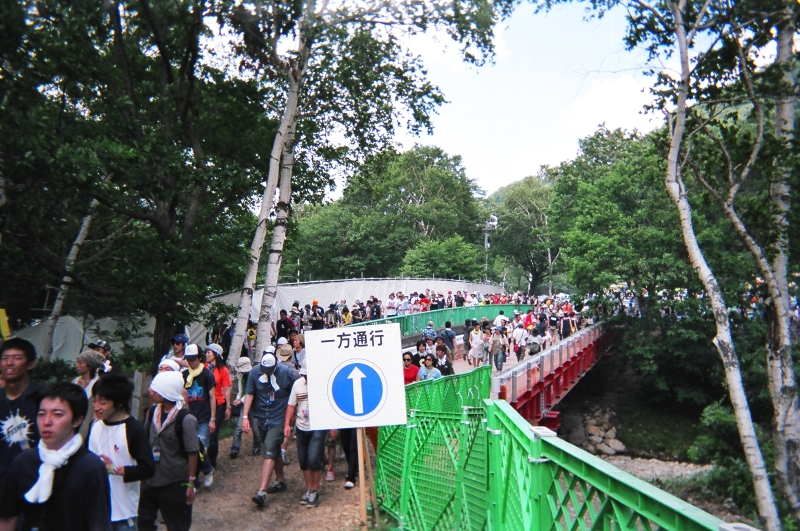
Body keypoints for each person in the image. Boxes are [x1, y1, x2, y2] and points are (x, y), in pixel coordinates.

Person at [0, 382, 111, 531]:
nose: (47, 422)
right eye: (41, 414)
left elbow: (99, 524)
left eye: (57, 414)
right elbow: (8, 518)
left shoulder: (90, 466)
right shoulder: (24, 462)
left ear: (77, 420)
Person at [88, 374, 155, 531]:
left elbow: (148, 468)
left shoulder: (133, 429)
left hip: (123, 511)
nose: (96, 407)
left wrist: (118, 470)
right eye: (95, 401)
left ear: (118, 403)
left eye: (103, 402)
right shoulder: (95, 426)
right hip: (97, 510)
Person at [139, 371, 199, 531]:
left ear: (166, 392)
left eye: (156, 389)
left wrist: (190, 483)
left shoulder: (185, 420)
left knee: (177, 525)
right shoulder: (152, 413)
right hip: (151, 479)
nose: (150, 391)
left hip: (174, 482)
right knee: (144, 523)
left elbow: (192, 452)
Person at [242, 351, 298, 508]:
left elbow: (295, 392)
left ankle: (262, 491)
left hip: (279, 417)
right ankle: (280, 480)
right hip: (262, 417)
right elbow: (249, 394)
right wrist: (245, 416)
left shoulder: (286, 373)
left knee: (269, 450)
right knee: (274, 450)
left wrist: (292, 416)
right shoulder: (254, 373)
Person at [0, 338, 45, 495]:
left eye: (17, 358)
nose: (9, 363)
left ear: (30, 364)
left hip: (38, 482)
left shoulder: (43, 397)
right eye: (5, 358)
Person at [284, 360, 325, 507]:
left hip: (317, 426)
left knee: (314, 459)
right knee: (303, 460)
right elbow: (291, 405)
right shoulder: (298, 384)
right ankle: (309, 488)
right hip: (301, 425)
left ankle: (315, 489)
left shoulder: (321, 384)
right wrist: (287, 424)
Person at [182, 344, 216, 488]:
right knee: (192, 448)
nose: (191, 362)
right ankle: (197, 477)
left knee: (200, 447)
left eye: (193, 359)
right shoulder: (184, 375)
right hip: (189, 417)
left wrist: (212, 419)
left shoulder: (207, 374)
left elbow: (212, 397)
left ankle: (204, 472)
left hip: (203, 417)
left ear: (200, 358)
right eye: (188, 359)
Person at [204, 344, 231, 472]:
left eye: (209, 352)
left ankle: (212, 462)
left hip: (219, 404)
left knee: (213, 434)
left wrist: (228, 406)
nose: (207, 354)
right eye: (206, 352)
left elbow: (226, 388)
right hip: (205, 404)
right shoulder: (203, 367)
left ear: (216, 354)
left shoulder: (223, 370)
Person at [229, 357, 260, 458]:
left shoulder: (254, 376)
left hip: (254, 405)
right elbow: (241, 389)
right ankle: (235, 448)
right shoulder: (240, 375)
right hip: (244, 404)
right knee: (238, 427)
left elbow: (251, 392)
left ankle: (257, 446)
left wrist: (240, 400)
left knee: (256, 429)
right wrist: (238, 399)